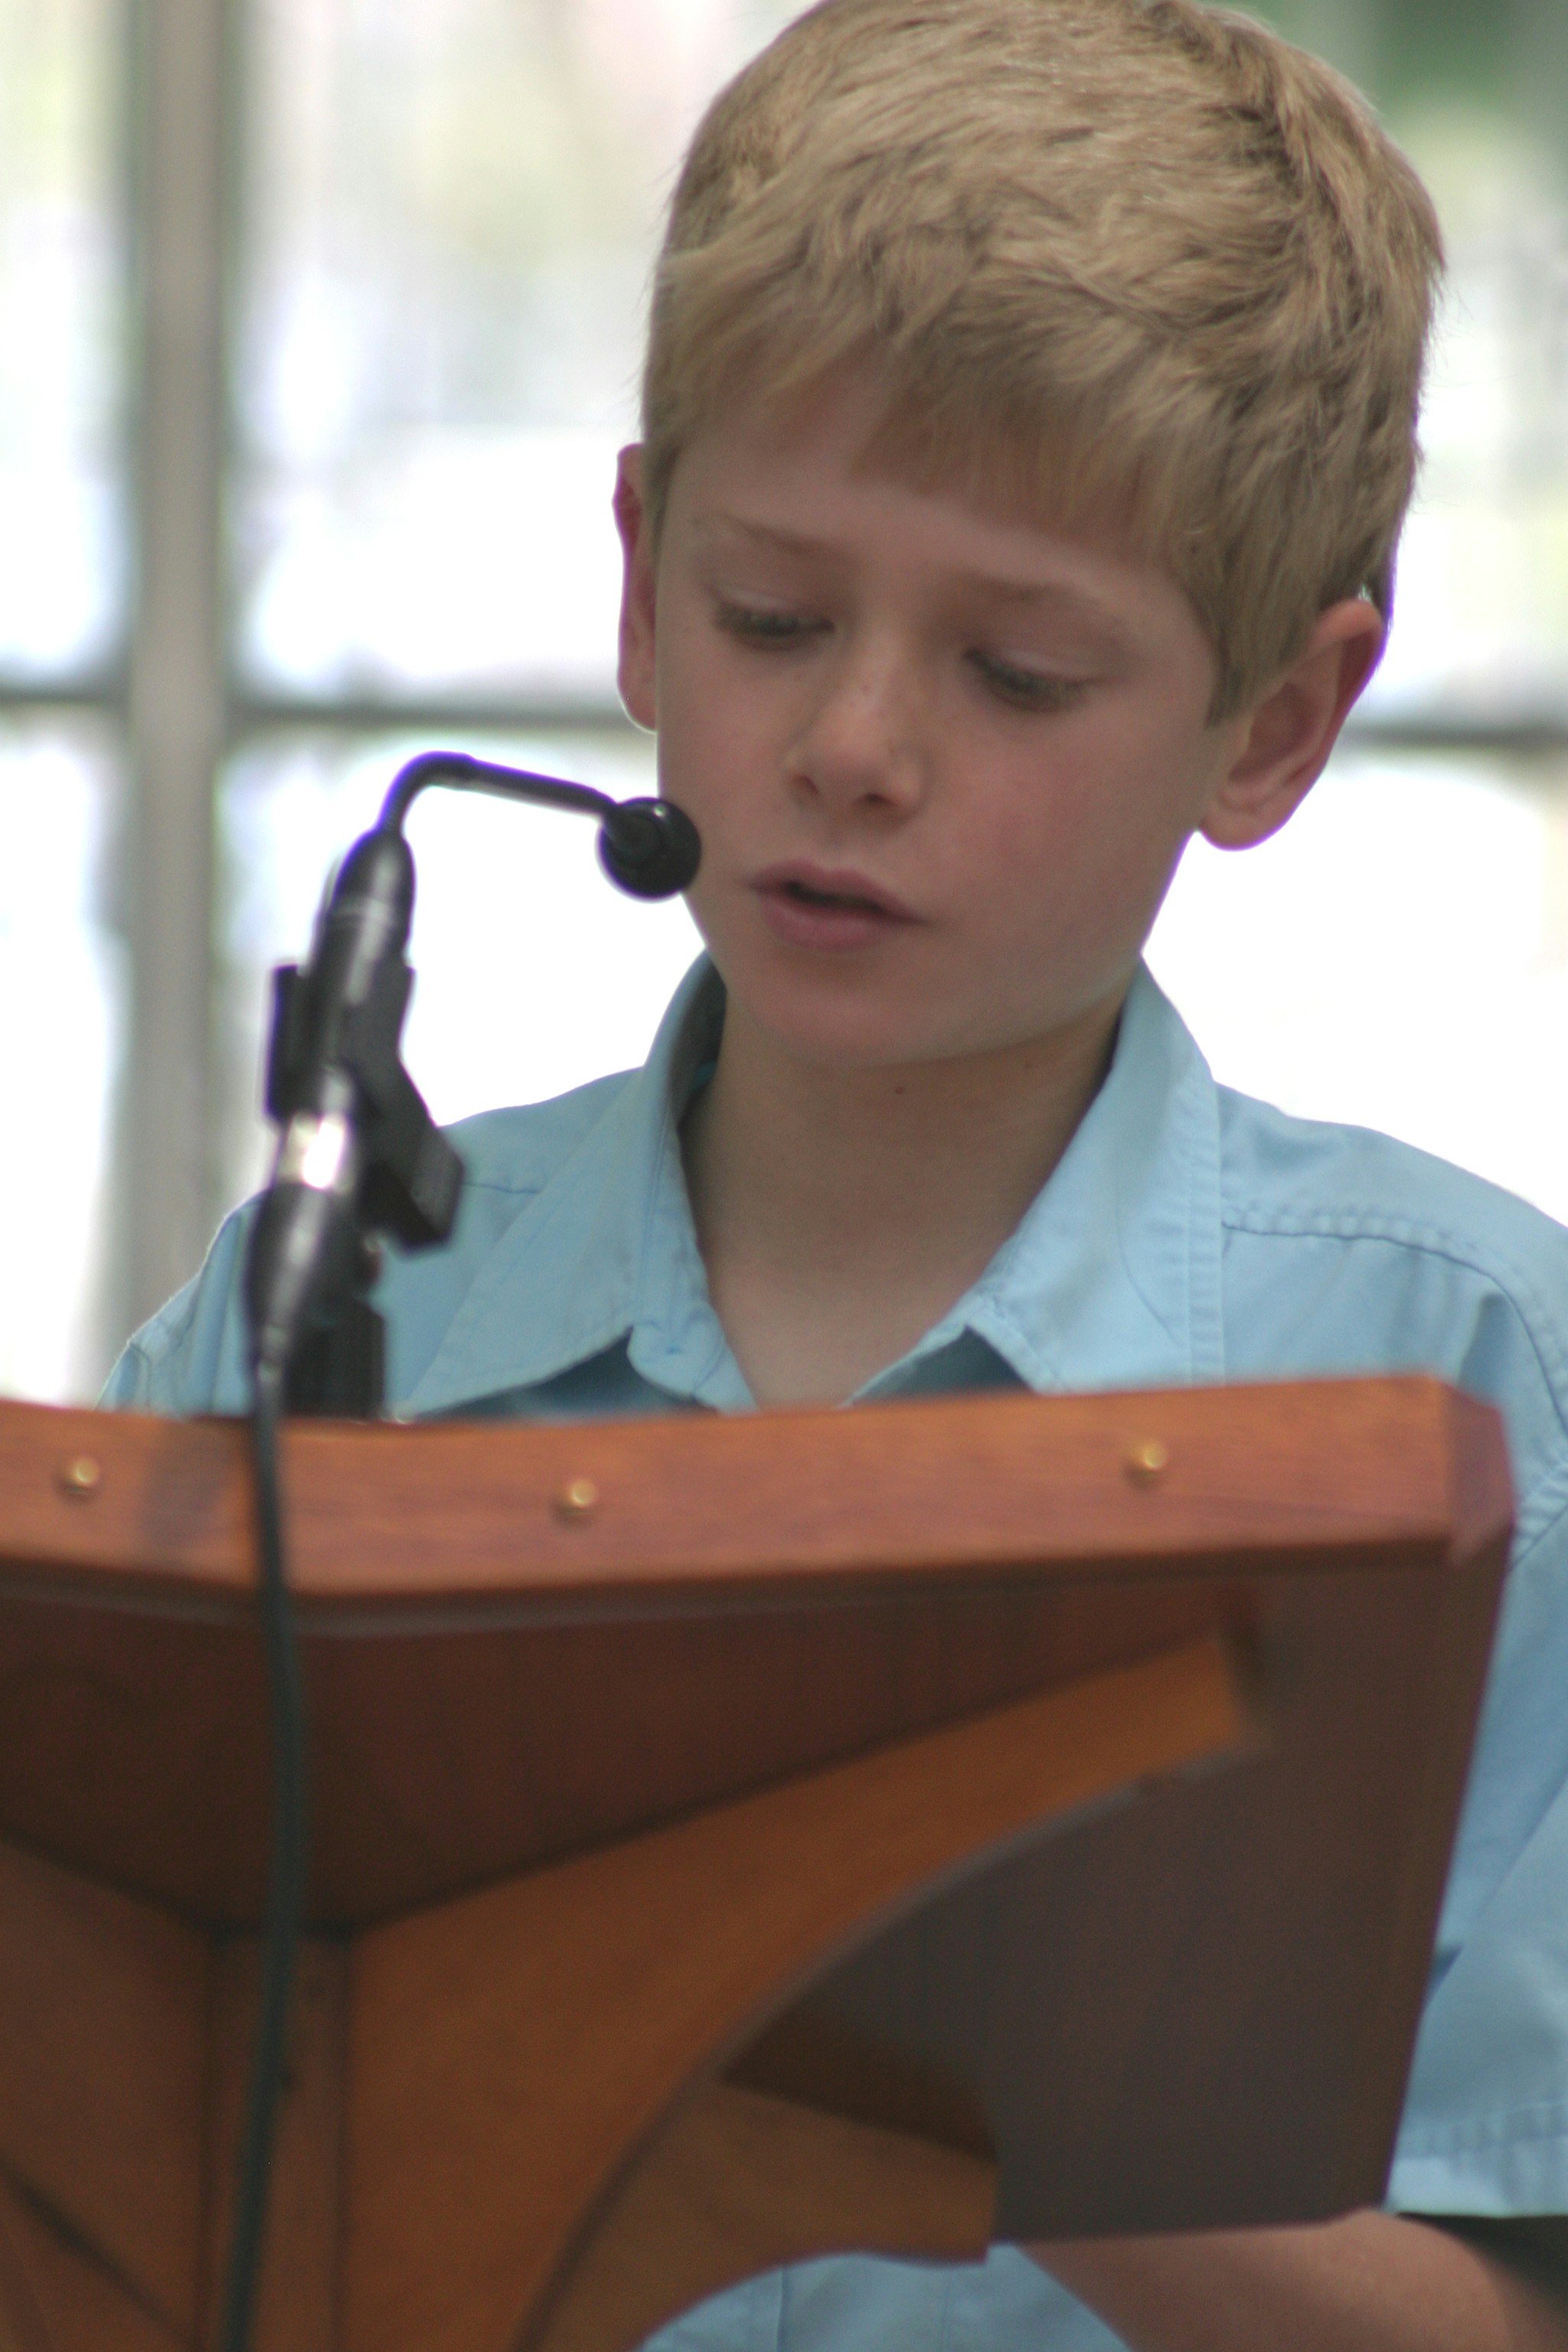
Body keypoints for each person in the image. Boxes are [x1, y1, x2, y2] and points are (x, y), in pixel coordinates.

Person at [103, 0, 1568, 2343]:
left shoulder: (1485, 1391)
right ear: (636, 580)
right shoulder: (309, 1336)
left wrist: (872, 2020)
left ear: (1278, 722)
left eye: (1017, 674)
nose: (854, 745)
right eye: (770, 619)